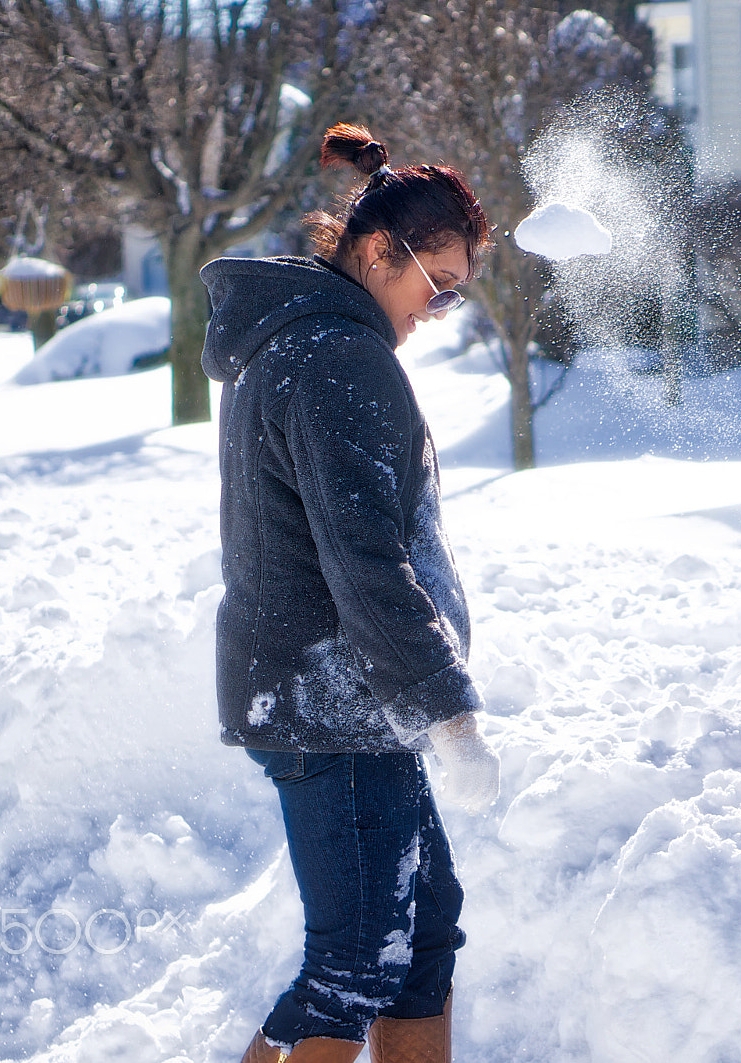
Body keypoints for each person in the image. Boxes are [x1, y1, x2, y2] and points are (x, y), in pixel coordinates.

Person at [201, 123, 499, 1063]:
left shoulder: (298, 340)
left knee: (419, 941)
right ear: (380, 251)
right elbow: (366, 560)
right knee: (360, 959)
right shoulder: (338, 356)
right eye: (437, 286)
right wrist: (452, 714)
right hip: (333, 700)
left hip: (331, 696)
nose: (439, 309)